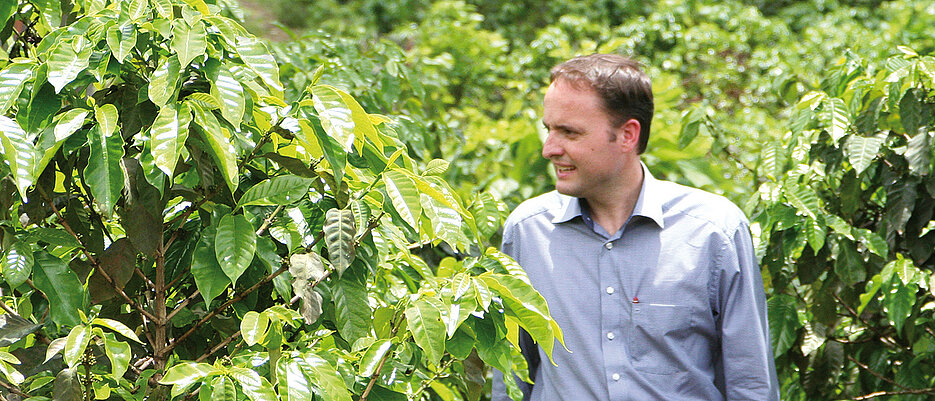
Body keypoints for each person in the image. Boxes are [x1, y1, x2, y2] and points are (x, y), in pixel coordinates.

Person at [491, 54, 779, 400]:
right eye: (549, 129)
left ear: (628, 135)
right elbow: (511, 377)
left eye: (569, 132)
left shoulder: (713, 232)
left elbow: (751, 384)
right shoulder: (528, 232)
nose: (549, 149)